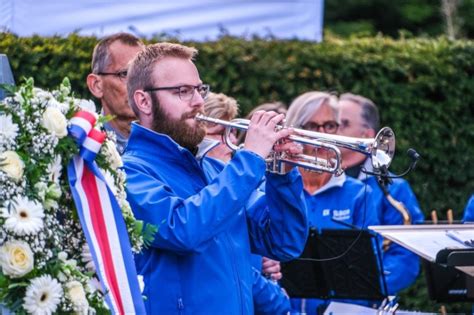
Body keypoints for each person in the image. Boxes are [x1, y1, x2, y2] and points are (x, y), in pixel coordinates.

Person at [123, 42, 309, 314]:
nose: (199, 101)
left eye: (199, 89)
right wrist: (251, 158)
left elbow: (284, 242)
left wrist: (282, 175)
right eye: (182, 91)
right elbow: (183, 231)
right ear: (144, 101)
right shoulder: (129, 172)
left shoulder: (218, 171)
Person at [284, 91, 380, 314]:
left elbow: (365, 272)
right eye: (313, 126)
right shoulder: (277, 189)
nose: (323, 135)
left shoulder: (359, 194)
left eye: (330, 126)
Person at [203, 92, 290, 314]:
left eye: (232, 133)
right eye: (220, 133)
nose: (232, 142)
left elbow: (286, 240)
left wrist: (286, 174)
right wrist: (276, 298)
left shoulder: (242, 179)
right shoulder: (218, 182)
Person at [338, 92, 425, 295]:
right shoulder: (313, 180)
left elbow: (406, 257)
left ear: (367, 135)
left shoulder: (394, 189)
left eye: (343, 124)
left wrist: (365, 287)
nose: (334, 130)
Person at [86, 32, 144, 154]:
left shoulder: (171, 141)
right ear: (96, 85)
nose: (140, 85)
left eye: (145, 74)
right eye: (125, 74)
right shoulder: (83, 146)